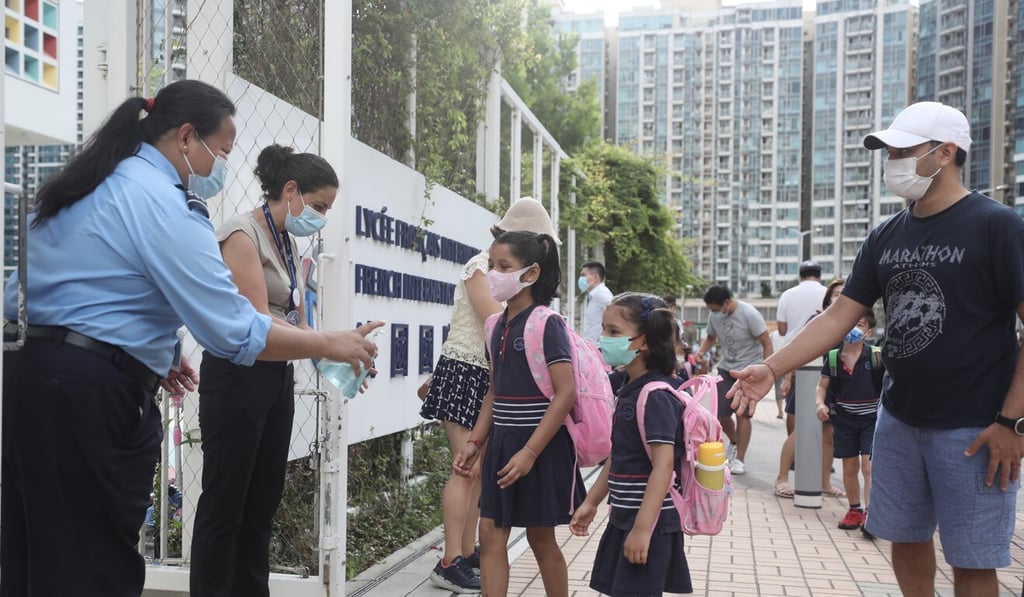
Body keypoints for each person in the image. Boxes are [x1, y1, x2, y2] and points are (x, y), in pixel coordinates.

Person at [0, 80, 379, 597]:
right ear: (185, 138)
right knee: (91, 567)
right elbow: (231, 328)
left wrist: (156, 347)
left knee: (32, 556)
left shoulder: (88, 183)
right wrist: (330, 344)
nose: (219, 167)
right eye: (220, 152)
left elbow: (28, 294)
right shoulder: (165, 202)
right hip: (90, 396)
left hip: (30, 377)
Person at [728, 101, 1024, 597]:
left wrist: (1013, 422)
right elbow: (839, 316)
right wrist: (772, 366)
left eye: (903, 150)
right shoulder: (886, 234)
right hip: (900, 421)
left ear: (945, 152)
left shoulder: (997, 226)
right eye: (889, 152)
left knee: (972, 562)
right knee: (905, 541)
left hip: (975, 427)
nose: (892, 162)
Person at [189, 144, 340, 596]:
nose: (321, 217)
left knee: (260, 507)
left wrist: (337, 353)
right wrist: (326, 343)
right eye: (318, 206)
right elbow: (255, 319)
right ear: (289, 190)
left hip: (276, 377)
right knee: (224, 506)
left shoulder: (287, 242)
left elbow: (298, 323)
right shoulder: (241, 234)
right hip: (237, 378)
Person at [419, 196, 560, 593]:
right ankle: (450, 560)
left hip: (489, 378)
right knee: (465, 470)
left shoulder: (506, 272)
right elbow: (494, 323)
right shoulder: (481, 267)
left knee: (478, 471)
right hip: (466, 372)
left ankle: (466, 553)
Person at [453, 230, 584, 597]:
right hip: (501, 445)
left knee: (541, 538)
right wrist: (475, 441)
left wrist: (530, 453)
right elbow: (495, 390)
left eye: (503, 266)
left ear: (530, 273)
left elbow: (565, 393)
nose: (493, 273)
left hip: (539, 446)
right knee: (490, 533)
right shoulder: (494, 325)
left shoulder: (547, 323)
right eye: (492, 265)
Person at [569, 293, 692, 597]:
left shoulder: (655, 396)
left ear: (644, 342)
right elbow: (619, 456)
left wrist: (642, 529)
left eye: (613, 332)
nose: (604, 338)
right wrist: (591, 502)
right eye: (604, 329)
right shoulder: (628, 389)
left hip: (649, 523)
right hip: (624, 516)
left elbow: (663, 466)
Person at [774, 278, 847, 499]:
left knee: (828, 435)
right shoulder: (818, 319)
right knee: (801, 430)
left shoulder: (851, 322)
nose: (839, 297)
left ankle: (824, 483)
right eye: (835, 293)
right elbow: (799, 348)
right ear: (827, 298)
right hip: (809, 379)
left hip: (835, 383)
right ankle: (782, 478)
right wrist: (788, 378)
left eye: (844, 293)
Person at [815, 309, 882, 537]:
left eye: (860, 324)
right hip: (844, 420)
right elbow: (822, 386)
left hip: (872, 419)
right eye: (850, 323)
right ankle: (855, 510)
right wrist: (820, 404)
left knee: (868, 466)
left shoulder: (876, 357)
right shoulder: (833, 357)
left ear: (868, 331)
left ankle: (872, 514)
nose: (854, 328)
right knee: (850, 466)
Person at [695, 285, 771, 475]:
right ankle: (735, 442)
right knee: (720, 413)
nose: (714, 313)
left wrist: (768, 368)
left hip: (749, 370)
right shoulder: (715, 316)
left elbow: (766, 342)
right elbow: (711, 337)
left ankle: (739, 460)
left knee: (742, 414)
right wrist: (702, 352)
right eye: (711, 310)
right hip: (726, 369)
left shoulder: (749, 314)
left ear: (727, 302)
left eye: (715, 309)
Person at [774, 260, 827, 415]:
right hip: (822, 358)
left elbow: (782, 330)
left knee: (793, 408)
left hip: (794, 359)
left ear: (800, 276)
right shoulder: (828, 293)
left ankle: (794, 439)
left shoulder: (787, 295)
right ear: (820, 276)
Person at [579, 261, 613, 344]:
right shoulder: (594, 296)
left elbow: (616, 316)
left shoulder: (602, 295)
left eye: (583, 275)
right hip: (591, 348)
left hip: (598, 349)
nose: (580, 279)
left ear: (595, 278)